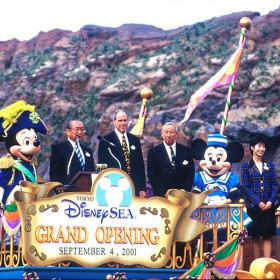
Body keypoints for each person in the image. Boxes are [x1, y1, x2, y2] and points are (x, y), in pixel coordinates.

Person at [241, 135, 278, 259]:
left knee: (267, 235)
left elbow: (274, 184)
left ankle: (267, 264)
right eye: (259, 146)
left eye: (263, 146)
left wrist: (271, 202)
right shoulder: (246, 166)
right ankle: (257, 266)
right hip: (253, 207)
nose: (261, 149)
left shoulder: (270, 165)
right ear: (252, 147)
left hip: (269, 206)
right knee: (255, 236)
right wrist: (258, 202)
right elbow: (246, 187)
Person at [97, 110, 146, 198]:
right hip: (114, 187)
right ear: (114, 122)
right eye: (120, 121)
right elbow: (103, 167)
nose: (123, 123)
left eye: (125, 120)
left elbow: (140, 165)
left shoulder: (134, 140)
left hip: (134, 187)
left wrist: (142, 188)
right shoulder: (106, 141)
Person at [147, 122, 195, 197]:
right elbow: (152, 175)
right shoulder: (153, 152)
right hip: (161, 197)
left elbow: (190, 173)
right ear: (161, 134)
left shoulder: (186, 151)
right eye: (166, 132)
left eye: (171, 132)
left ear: (176, 134)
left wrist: (184, 191)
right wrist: (164, 193)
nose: (168, 135)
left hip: (182, 196)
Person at [49, 120, 95, 185]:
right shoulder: (59, 148)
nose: (80, 132)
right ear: (68, 131)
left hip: (86, 190)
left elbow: (92, 171)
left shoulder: (87, 150)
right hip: (67, 189)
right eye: (77, 129)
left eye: (82, 130)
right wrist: (58, 188)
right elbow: (54, 172)